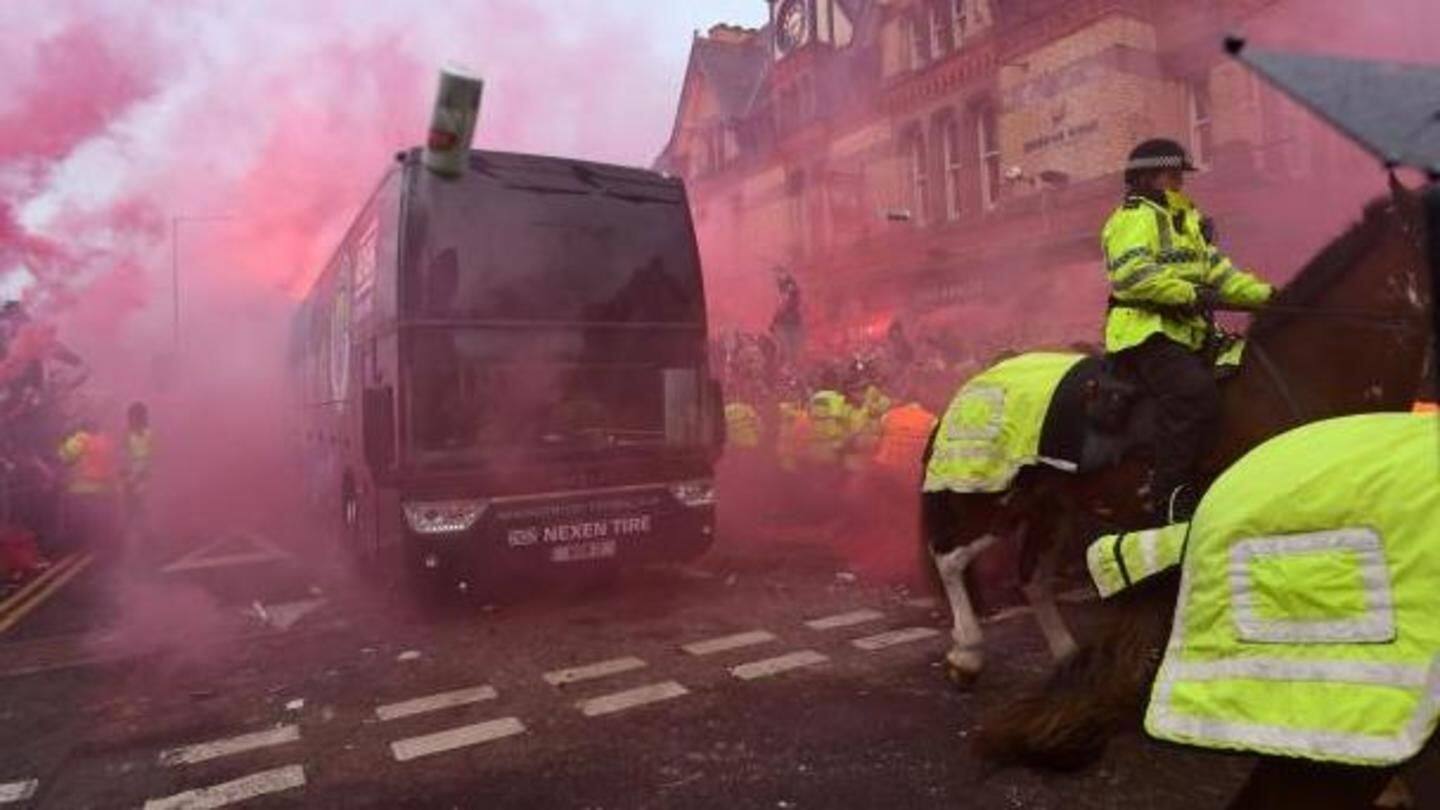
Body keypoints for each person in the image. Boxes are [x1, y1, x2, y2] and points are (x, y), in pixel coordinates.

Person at [1102, 138, 1273, 521]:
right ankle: (1170, 498)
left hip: (1190, 332)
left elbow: (1223, 275)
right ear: (1147, 177)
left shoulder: (1190, 220)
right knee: (1193, 395)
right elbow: (1133, 276)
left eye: (1181, 175)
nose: (1180, 182)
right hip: (1146, 331)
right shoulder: (1133, 218)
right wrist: (1190, 293)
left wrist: (1272, 296)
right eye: (1173, 175)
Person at [57, 417, 120, 555]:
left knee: (83, 522)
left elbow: (64, 457)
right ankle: (100, 548)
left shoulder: (80, 439)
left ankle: (84, 549)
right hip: (104, 488)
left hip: (81, 488)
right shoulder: (105, 440)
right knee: (98, 522)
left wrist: (62, 442)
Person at [122, 401, 153, 537]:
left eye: (133, 417)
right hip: (131, 481)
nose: (130, 420)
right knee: (134, 514)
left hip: (142, 481)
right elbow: (124, 457)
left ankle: (149, 544)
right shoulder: (129, 435)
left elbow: (151, 458)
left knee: (139, 513)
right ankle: (145, 543)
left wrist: (139, 477)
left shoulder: (148, 435)